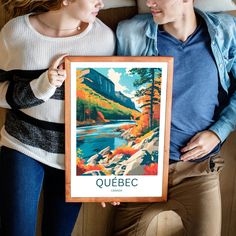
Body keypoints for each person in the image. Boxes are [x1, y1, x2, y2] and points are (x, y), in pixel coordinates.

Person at [111, 0, 236, 235]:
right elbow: (117, 105)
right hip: (142, 170)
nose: (149, 3)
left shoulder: (226, 31)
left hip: (198, 171)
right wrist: (111, 175)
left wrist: (218, 131)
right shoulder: (130, 33)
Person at [0, 0, 115, 235]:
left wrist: (104, 172)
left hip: (75, 159)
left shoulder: (103, 38)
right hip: (23, 146)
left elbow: (108, 110)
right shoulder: (15, 32)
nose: (101, 3)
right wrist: (39, 89)